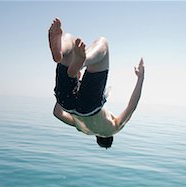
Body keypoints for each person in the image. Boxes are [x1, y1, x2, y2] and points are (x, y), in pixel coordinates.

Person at [48, 17, 145, 149]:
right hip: (66, 102)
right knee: (69, 45)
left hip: (91, 105)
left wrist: (140, 78)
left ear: (109, 137)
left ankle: (83, 60)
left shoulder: (113, 129)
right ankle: (61, 54)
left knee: (102, 43)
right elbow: (57, 113)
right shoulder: (82, 129)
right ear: (97, 138)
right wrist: (74, 80)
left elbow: (132, 106)